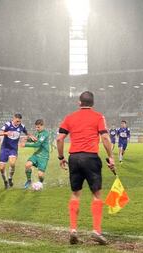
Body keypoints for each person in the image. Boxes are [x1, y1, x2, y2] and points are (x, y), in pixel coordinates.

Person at [57, 91, 115, 245]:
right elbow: (104, 137)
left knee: (76, 194)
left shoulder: (70, 117)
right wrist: (111, 157)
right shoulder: (98, 117)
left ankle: (73, 230)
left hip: (74, 158)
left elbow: (59, 138)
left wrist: (61, 157)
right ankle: (96, 230)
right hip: (91, 157)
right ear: (93, 103)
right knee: (96, 194)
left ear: (79, 102)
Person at [0, 113, 36, 189]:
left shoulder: (22, 126)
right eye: (17, 121)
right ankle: (5, 181)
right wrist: (5, 133)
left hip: (13, 148)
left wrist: (31, 136)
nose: (18, 123)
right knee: (1, 168)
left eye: (19, 121)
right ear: (13, 119)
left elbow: (27, 133)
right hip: (5, 148)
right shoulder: (8, 124)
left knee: (12, 163)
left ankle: (10, 178)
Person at [19, 119, 50, 189]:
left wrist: (25, 145)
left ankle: (40, 183)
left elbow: (37, 144)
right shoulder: (37, 133)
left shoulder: (45, 134)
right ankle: (29, 181)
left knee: (40, 175)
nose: (37, 129)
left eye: (38, 127)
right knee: (27, 165)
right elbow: (34, 140)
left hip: (43, 157)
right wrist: (27, 139)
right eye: (36, 127)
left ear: (42, 126)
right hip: (36, 154)